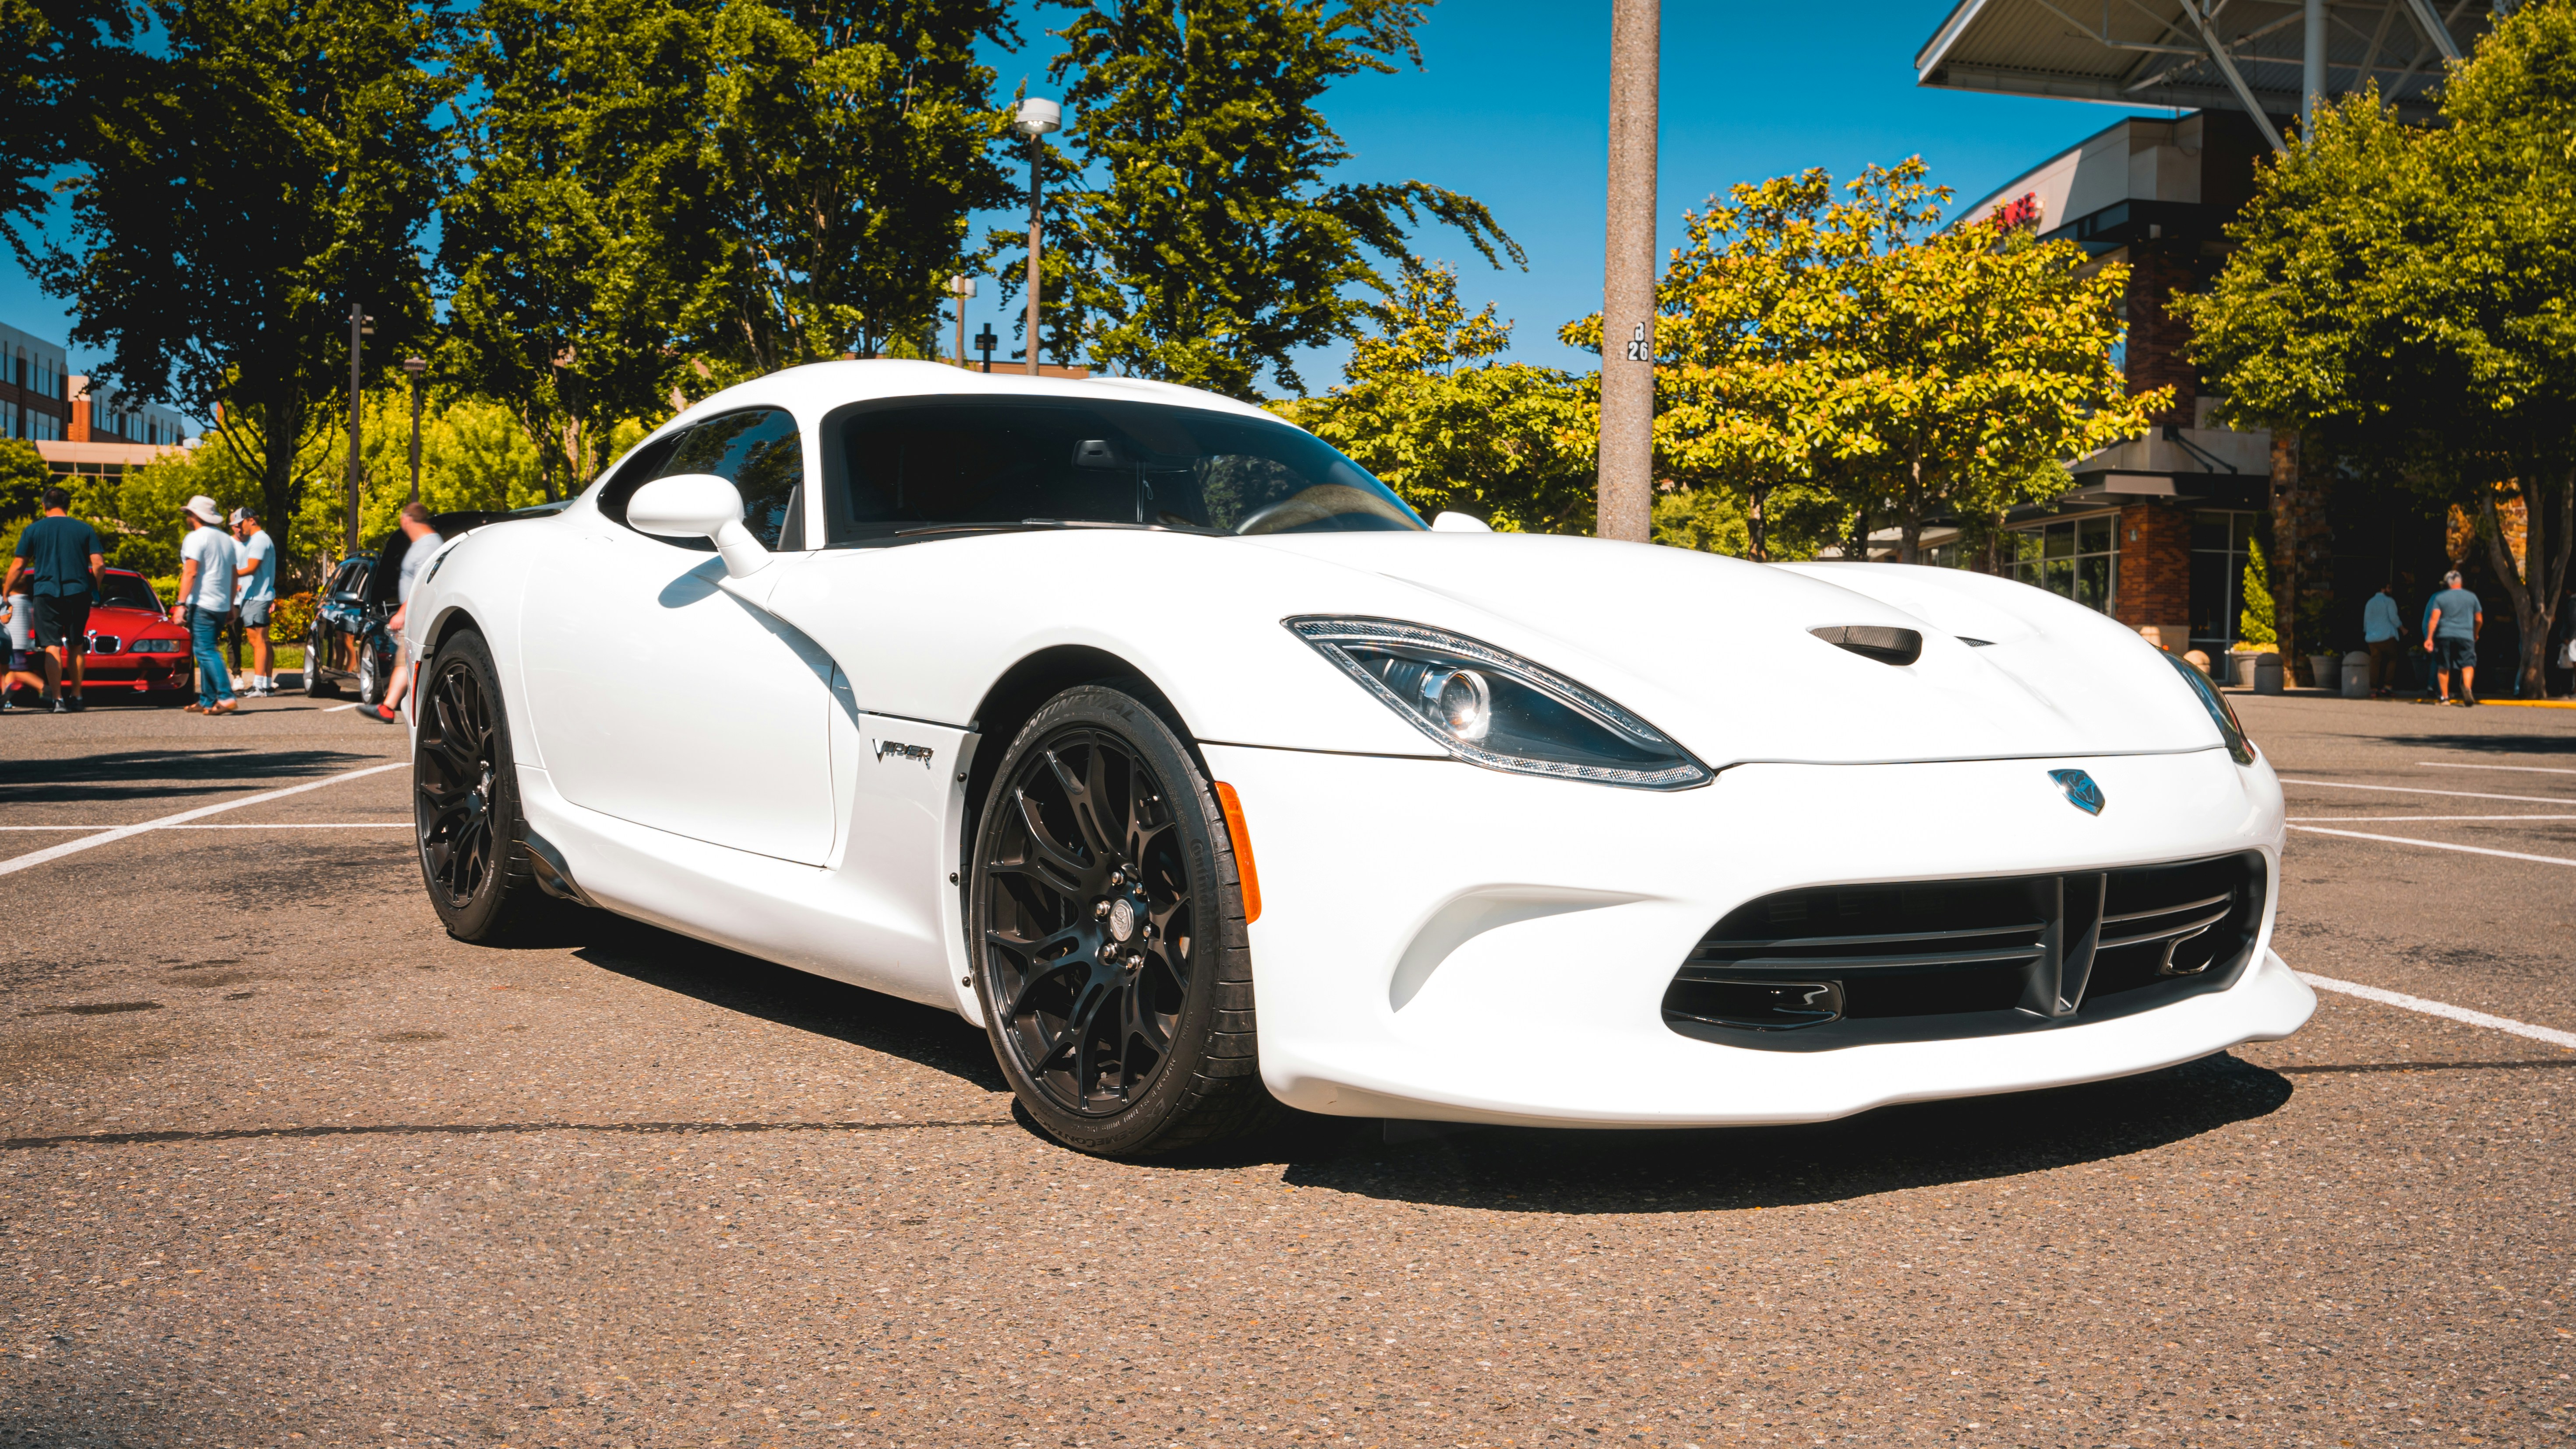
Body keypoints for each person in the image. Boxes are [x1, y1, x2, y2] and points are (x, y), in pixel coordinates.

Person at [4, 487, 104, 712]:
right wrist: (94, 589)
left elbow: (19, 565)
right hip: (78, 592)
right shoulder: (84, 529)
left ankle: (58, 699)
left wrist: (6, 591)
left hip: (46, 593)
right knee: (76, 644)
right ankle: (77, 696)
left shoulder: (33, 530)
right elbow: (98, 564)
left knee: (52, 646)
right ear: (68, 506)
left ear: (44, 506)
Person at [175, 494, 243, 716]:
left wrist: (181, 604)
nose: (187, 517)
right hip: (221, 604)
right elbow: (234, 575)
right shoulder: (226, 539)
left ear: (194, 515)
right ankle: (207, 699)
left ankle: (226, 696)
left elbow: (191, 572)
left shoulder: (195, 538)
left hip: (202, 602)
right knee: (206, 649)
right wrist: (232, 604)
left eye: (188, 513)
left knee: (205, 651)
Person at [374, 502, 441, 723]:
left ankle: (389, 707)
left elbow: (423, 583)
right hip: (414, 612)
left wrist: (403, 611)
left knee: (408, 661)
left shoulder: (428, 546)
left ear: (407, 519)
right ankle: (388, 707)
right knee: (405, 662)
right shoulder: (423, 544)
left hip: (418, 612)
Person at [229, 506, 278, 696]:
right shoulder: (261, 539)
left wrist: (230, 575)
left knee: (257, 641)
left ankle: (259, 686)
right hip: (260, 596)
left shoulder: (258, 540)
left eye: (240, 524)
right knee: (263, 641)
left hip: (256, 597)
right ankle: (266, 684)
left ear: (251, 520)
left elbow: (251, 568)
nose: (239, 529)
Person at [2423, 569, 2484, 707]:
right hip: (2466, 635)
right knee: (2468, 664)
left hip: (2445, 634)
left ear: (2448, 584)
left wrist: (2429, 638)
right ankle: (2467, 688)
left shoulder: (2440, 598)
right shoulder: (2472, 597)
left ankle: (2444, 698)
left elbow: (2434, 619)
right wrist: (2475, 632)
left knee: (2444, 666)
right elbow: (2479, 619)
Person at [2, 590, 60, 712]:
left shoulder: (8, 601)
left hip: (11, 641)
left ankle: (44, 688)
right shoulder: (28, 603)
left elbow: (5, 620)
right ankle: (5, 698)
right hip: (21, 642)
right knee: (9, 670)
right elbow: (32, 623)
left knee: (15, 670)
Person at [2362, 582, 2406, 698]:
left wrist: (2367, 631)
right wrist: (2402, 629)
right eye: (2389, 587)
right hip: (2386, 635)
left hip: (2371, 637)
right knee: (2393, 658)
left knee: (2375, 661)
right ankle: (2388, 686)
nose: (2391, 590)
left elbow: (2366, 620)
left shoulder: (2370, 602)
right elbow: (2394, 618)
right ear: (2383, 589)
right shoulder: (2389, 601)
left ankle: (2374, 689)